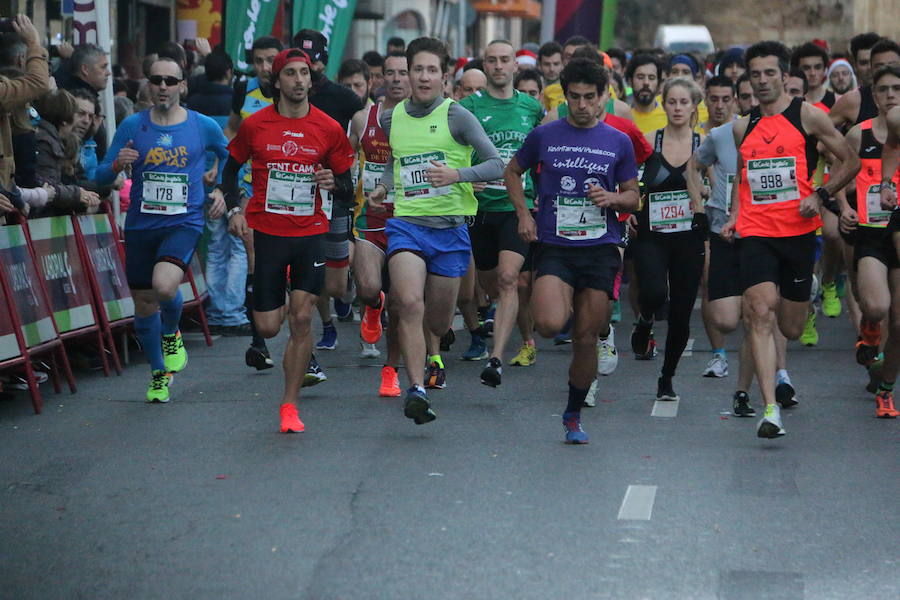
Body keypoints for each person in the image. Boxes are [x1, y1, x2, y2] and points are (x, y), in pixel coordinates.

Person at [721, 41, 860, 438]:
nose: (762, 81)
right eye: (755, 75)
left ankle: (809, 290)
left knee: (792, 327)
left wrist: (820, 194)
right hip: (756, 233)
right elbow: (744, 179)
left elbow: (849, 161)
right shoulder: (742, 126)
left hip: (798, 234)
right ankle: (769, 409)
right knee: (759, 312)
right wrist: (734, 216)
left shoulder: (809, 117)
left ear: (784, 77)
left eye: (769, 74)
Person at [367, 36, 504, 424]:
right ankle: (416, 388)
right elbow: (393, 164)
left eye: (432, 70)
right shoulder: (392, 117)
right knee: (407, 303)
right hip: (407, 226)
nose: (424, 77)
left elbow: (496, 164)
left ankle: (434, 349)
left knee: (438, 323)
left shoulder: (457, 115)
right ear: (408, 73)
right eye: (417, 69)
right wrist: (382, 187)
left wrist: (456, 174)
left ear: (444, 76)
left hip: (450, 232)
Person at [222, 48, 356, 432]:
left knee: (301, 317)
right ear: (276, 81)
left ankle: (289, 405)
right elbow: (230, 173)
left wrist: (335, 182)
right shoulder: (256, 125)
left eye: (304, 74)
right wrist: (235, 210)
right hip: (268, 234)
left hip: (310, 233)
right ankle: (275, 292)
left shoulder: (328, 127)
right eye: (291, 74)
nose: (300, 81)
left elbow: (349, 185)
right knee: (267, 327)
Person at [508, 57, 639, 443]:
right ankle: (579, 315)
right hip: (556, 246)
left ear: (603, 98)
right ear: (565, 97)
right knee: (548, 324)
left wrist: (613, 197)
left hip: (600, 248)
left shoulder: (618, 141)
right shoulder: (545, 135)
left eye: (589, 98)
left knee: (585, 337)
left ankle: (573, 413)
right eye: (574, 98)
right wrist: (523, 216)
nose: (581, 106)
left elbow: (634, 198)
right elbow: (512, 171)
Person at [95, 57, 230, 403]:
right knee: (143, 303)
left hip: (183, 223)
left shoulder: (202, 126)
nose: (164, 87)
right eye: (157, 80)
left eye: (171, 81)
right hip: (141, 224)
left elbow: (230, 155)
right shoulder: (132, 126)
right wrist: (115, 165)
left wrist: (219, 188)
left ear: (183, 86)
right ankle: (158, 374)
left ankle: (171, 332)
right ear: (149, 86)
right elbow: (98, 178)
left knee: (164, 286)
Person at [458, 39, 544, 386]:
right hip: (480, 211)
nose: (497, 66)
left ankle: (495, 358)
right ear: (485, 64)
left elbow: (543, 156)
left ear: (514, 67)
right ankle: (502, 319)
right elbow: (453, 151)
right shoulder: (468, 107)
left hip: (515, 207)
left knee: (511, 279)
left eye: (503, 60)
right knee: (491, 283)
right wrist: (467, 179)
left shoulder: (532, 109)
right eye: (491, 60)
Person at [291, 29, 364, 369]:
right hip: (295, 195)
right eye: (302, 63)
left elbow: (364, 136)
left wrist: (349, 172)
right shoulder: (282, 94)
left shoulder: (345, 99)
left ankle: (346, 293)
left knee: (334, 284)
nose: (309, 71)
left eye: (314, 62)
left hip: (335, 193)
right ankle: (327, 326)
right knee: (310, 274)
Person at [630, 77, 706, 402]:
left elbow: (722, 185)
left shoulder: (705, 146)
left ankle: (667, 376)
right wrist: (628, 208)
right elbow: (626, 179)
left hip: (689, 237)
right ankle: (645, 319)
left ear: (693, 106)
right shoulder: (648, 142)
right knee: (654, 292)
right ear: (663, 103)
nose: (677, 108)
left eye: (683, 102)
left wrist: (707, 195)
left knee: (681, 313)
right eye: (672, 101)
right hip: (652, 234)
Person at [838, 64, 900, 418]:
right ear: (873, 95)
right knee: (876, 306)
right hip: (871, 233)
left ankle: (886, 390)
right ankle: (869, 327)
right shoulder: (858, 135)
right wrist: (845, 206)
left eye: (897, 88)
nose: (890, 95)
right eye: (883, 89)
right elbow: (839, 177)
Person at [347, 50, 410, 396]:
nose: (398, 78)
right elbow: (345, 155)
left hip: (409, 217)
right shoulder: (363, 117)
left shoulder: (423, 117)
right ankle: (373, 306)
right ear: (379, 79)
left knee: (402, 300)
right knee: (369, 287)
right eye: (391, 73)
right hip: (371, 214)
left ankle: (391, 369)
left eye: (404, 72)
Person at [225, 35, 283, 372]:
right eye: (258, 61)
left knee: (289, 267)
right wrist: (225, 172)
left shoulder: (294, 90)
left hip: (292, 195)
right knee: (253, 259)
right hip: (252, 189)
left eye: (269, 60)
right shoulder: (242, 90)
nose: (263, 67)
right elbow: (232, 130)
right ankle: (258, 342)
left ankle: (298, 333)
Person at [186, 51, 252, 337]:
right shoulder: (237, 100)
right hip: (233, 177)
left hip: (203, 180)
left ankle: (214, 310)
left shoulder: (193, 103)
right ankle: (232, 312)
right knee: (236, 246)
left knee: (214, 246)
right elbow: (229, 144)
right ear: (228, 72)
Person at [32, 89, 100, 216]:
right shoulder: (45, 143)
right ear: (65, 120)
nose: (85, 121)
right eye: (79, 114)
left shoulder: (56, 141)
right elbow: (49, 188)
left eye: (90, 116)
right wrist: (78, 194)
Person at [831, 37, 900, 129]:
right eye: (880, 67)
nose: (887, 71)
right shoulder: (854, 100)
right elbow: (820, 131)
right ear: (871, 68)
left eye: (892, 66)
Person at [628, 54, 667, 134]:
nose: (646, 83)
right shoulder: (622, 118)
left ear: (659, 84)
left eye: (651, 78)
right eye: (640, 77)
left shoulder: (669, 118)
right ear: (630, 81)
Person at [791, 42, 836, 111]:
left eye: (818, 67)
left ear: (824, 70)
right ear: (797, 70)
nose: (812, 73)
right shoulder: (790, 103)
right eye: (806, 68)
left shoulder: (837, 102)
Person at [537, 41, 564, 110]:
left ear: (562, 64)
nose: (551, 69)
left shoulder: (569, 87)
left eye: (556, 64)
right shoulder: (533, 86)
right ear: (539, 65)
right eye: (547, 64)